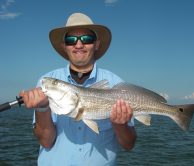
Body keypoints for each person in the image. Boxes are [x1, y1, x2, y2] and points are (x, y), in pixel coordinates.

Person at [19, 13, 136, 165]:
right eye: (71, 40)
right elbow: (46, 142)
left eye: (86, 39)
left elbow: (129, 144)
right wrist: (42, 109)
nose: (79, 45)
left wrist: (120, 125)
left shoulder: (116, 84)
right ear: (64, 46)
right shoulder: (46, 81)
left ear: (97, 44)